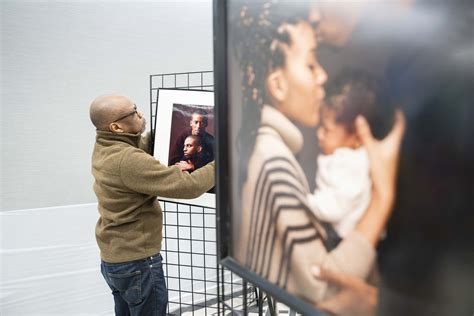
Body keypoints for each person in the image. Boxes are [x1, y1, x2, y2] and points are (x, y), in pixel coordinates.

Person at [232, 0, 405, 306]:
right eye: (311, 63)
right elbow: (326, 289)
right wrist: (382, 199)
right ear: (278, 85)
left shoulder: (268, 151)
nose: (323, 75)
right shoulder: (275, 164)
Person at [89, 94, 215, 316]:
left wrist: (165, 124)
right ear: (117, 127)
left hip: (115, 261)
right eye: (134, 113)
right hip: (137, 263)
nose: (141, 114)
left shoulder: (104, 147)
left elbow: (140, 146)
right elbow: (189, 186)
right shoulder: (127, 160)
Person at [308, 69, 392, 238]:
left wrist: (304, 201)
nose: (319, 133)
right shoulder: (341, 156)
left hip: (342, 238)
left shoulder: (352, 164)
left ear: (356, 137)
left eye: (327, 130)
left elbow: (335, 208)